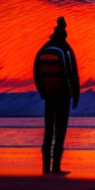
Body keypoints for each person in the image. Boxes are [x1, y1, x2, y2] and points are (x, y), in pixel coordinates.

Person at [33, 16, 80, 175]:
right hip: (63, 95)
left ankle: (46, 168)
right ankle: (56, 168)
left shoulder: (44, 48)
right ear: (64, 34)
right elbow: (73, 73)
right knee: (60, 130)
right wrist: (76, 95)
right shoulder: (66, 49)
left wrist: (42, 92)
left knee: (48, 131)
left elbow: (36, 72)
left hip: (49, 94)